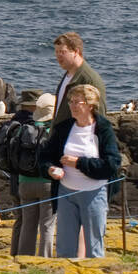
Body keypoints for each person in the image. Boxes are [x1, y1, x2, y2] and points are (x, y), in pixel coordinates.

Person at [40, 84, 120, 259]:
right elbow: (45, 157)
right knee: (64, 248)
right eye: (70, 101)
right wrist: (51, 169)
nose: (72, 106)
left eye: (78, 102)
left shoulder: (103, 129)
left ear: (90, 105)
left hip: (94, 194)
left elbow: (111, 165)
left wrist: (79, 163)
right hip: (65, 192)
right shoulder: (64, 128)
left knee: (94, 248)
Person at [5, 90, 56, 257]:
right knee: (47, 225)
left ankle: (24, 259)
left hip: (24, 181)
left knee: (28, 224)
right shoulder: (53, 132)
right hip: (48, 182)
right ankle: (44, 260)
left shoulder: (24, 129)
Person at [51, 32, 105, 128]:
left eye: (63, 52)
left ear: (76, 52)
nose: (58, 56)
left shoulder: (89, 80)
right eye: (56, 52)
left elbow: (99, 117)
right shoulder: (67, 76)